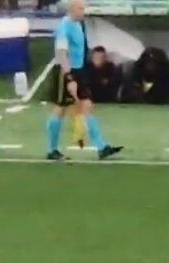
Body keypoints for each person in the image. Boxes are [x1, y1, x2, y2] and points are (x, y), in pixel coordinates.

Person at [46, 0, 121, 161]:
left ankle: (102, 147)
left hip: (79, 70)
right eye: (80, 8)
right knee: (60, 108)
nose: (83, 11)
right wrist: (69, 78)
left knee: (86, 106)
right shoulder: (64, 26)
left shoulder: (78, 25)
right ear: (72, 9)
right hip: (65, 71)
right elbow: (61, 54)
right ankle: (51, 149)